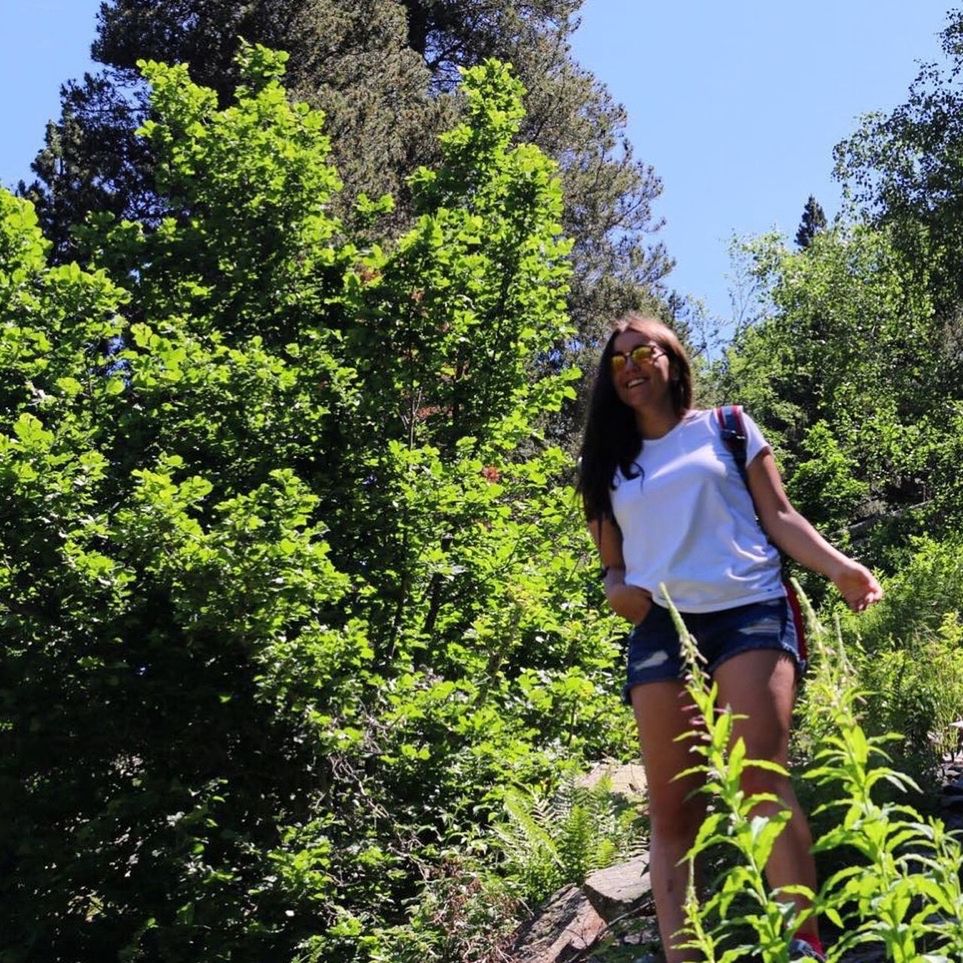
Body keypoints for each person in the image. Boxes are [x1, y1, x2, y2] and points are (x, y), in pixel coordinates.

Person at [576, 313, 882, 963]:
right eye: (616, 359)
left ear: (672, 360)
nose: (628, 365)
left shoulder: (728, 427)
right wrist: (613, 588)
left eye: (642, 352)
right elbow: (612, 564)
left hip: (749, 608)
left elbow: (779, 515)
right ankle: (684, 956)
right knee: (672, 809)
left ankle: (802, 945)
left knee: (758, 779)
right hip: (662, 626)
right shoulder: (607, 462)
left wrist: (838, 567)